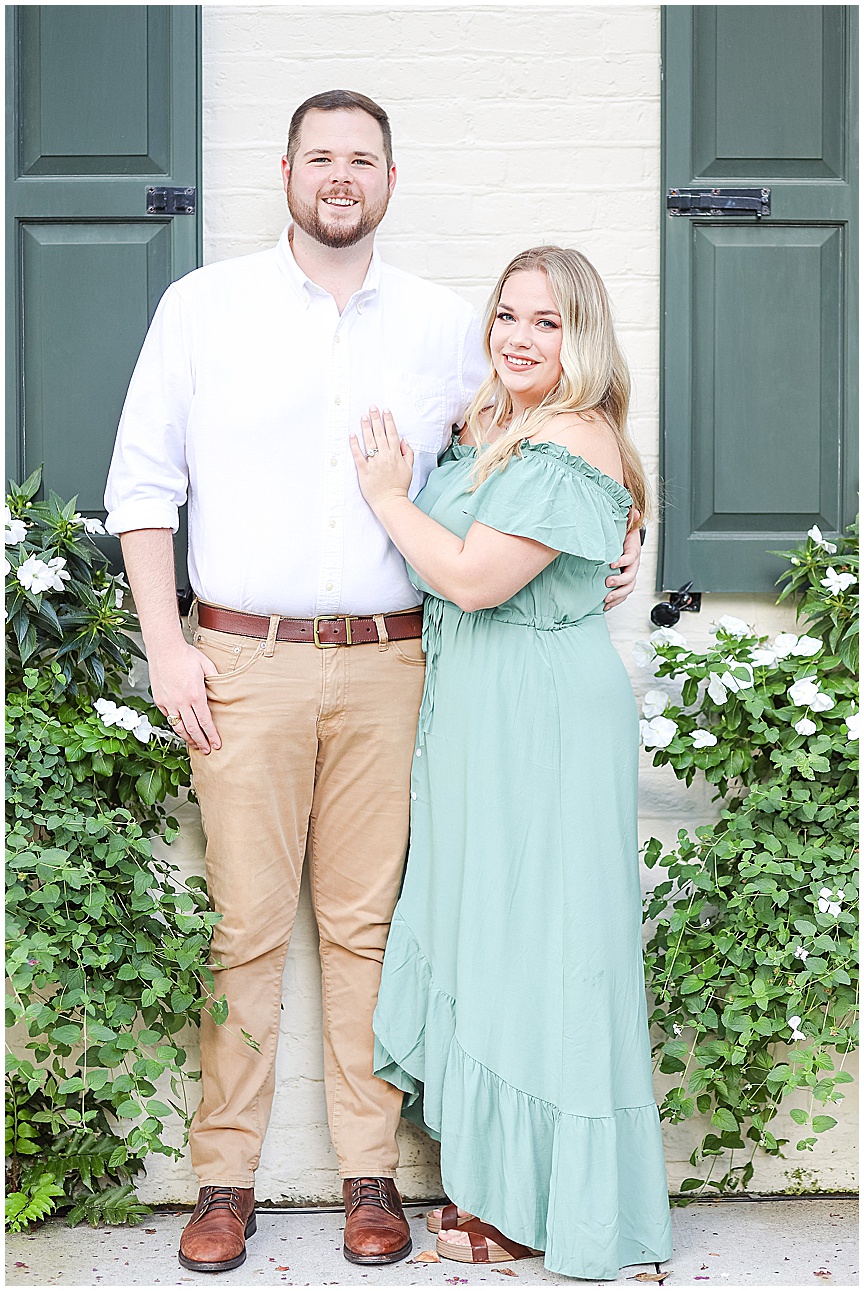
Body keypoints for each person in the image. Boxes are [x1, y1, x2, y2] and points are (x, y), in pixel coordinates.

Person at [104, 91, 643, 1275]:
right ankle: (225, 1182)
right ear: (285, 169)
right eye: (321, 157)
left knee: (367, 932)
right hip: (240, 659)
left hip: (397, 661)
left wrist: (609, 544)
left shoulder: (448, 327)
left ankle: (370, 1177)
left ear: (390, 179)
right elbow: (143, 490)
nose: (340, 176)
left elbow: (530, 454)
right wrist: (165, 644)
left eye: (363, 158)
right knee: (244, 930)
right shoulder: (204, 309)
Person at [352, 245, 672, 1282]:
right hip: (482, 711)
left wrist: (388, 494)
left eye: (549, 322)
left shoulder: (576, 437)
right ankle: (495, 1180)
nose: (521, 338)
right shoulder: (501, 427)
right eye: (509, 316)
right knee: (492, 933)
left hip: (542, 712)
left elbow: (475, 579)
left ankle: (546, 1197)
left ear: (585, 340)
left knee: (550, 944)